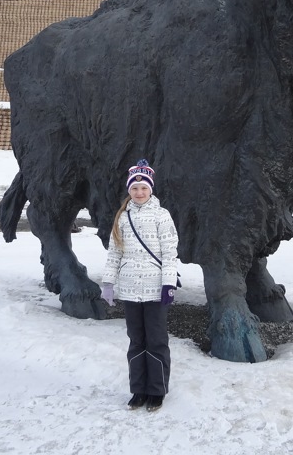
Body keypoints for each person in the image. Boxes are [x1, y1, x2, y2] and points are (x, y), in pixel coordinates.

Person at [101, 159, 179, 412]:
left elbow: (169, 252)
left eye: (143, 188)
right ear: (129, 190)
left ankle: (156, 391)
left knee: (156, 340)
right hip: (130, 289)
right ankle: (138, 390)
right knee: (136, 340)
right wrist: (109, 282)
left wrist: (168, 283)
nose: (139, 193)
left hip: (155, 288)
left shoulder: (161, 215)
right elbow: (115, 252)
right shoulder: (122, 217)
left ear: (151, 189)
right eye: (134, 189)